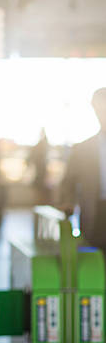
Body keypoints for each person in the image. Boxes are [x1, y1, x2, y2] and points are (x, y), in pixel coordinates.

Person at [60, 88, 106, 250]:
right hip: (96, 212)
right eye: (100, 109)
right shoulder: (83, 148)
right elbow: (68, 181)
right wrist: (67, 201)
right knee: (96, 260)